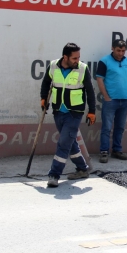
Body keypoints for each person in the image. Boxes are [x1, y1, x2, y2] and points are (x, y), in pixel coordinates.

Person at [40, 43, 96, 188]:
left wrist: (92, 111)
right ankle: (83, 169)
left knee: (64, 143)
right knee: (70, 144)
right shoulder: (53, 66)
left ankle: (54, 174)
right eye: (74, 57)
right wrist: (43, 98)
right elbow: (46, 82)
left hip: (74, 113)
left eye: (78, 57)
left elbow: (90, 91)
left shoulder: (82, 69)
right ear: (65, 57)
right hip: (58, 111)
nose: (77, 60)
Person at [96, 39, 127, 163]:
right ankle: (104, 152)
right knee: (107, 127)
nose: (121, 53)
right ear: (112, 48)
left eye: (123, 51)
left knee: (120, 127)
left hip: (124, 100)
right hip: (110, 100)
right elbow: (99, 79)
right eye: (118, 50)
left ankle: (117, 150)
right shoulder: (104, 61)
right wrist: (106, 96)